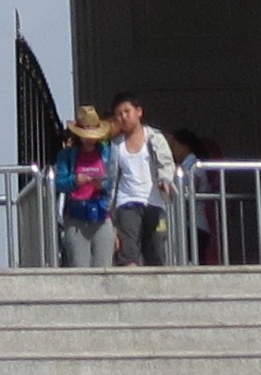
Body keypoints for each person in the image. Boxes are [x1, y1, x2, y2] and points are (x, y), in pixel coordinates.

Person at [106, 97, 181, 269]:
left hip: (153, 201)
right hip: (126, 202)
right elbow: (112, 176)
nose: (123, 117)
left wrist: (165, 179)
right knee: (128, 252)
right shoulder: (116, 145)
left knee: (155, 252)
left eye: (127, 112)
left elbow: (166, 163)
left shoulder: (155, 138)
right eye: (119, 114)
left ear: (139, 112)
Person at [51, 107, 115, 267]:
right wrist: (75, 181)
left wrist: (103, 184)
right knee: (80, 267)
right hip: (76, 217)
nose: (89, 139)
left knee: (105, 267)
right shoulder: (66, 155)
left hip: (102, 215)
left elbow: (116, 181)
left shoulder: (108, 153)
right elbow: (59, 184)